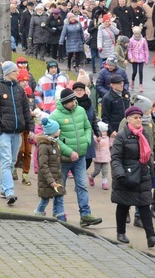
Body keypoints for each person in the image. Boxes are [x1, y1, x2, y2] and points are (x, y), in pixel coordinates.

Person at [111, 106, 155, 249]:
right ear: (128, 120)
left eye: (140, 117)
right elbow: (115, 158)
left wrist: (152, 170)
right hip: (126, 176)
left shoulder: (143, 134)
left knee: (145, 205)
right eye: (135, 117)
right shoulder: (122, 136)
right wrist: (119, 174)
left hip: (143, 176)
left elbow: (148, 154)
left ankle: (151, 237)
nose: (139, 120)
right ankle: (120, 233)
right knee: (123, 205)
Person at [50, 88, 103, 228]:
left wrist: (86, 141)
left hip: (80, 157)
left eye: (74, 100)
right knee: (60, 186)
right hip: (64, 159)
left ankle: (85, 214)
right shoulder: (54, 116)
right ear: (64, 103)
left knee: (82, 185)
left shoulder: (80, 111)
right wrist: (68, 151)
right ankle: (59, 214)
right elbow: (53, 138)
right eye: (71, 101)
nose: (74, 103)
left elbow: (87, 127)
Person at [0, 61, 35, 205]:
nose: (17, 74)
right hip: (4, 133)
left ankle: (3, 188)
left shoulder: (19, 89)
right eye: (15, 71)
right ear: (7, 73)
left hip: (17, 132)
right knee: (6, 161)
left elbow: (26, 111)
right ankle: (9, 191)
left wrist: (31, 128)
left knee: (12, 162)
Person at [34, 117, 67, 221]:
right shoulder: (44, 146)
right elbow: (43, 165)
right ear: (53, 132)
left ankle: (60, 217)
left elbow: (57, 157)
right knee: (45, 199)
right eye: (58, 129)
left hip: (56, 177)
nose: (59, 131)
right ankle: (38, 214)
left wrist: (69, 158)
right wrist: (51, 181)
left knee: (59, 196)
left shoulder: (55, 144)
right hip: (48, 180)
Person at [88, 121, 111, 190]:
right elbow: (95, 146)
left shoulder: (107, 138)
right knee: (97, 171)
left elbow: (110, 144)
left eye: (105, 131)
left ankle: (104, 183)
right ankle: (91, 176)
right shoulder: (96, 138)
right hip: (98, 158)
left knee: (105, 171)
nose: (105, 133)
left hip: (106, 158)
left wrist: (113, 138)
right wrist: (97, 141)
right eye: (103, 131)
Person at [128, 26, 149, 93]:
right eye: (135, 33)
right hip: (134, 58)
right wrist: (130, 58)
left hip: (141, 58)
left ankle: (140, 85)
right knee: (134, 72)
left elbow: (146, 49)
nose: (137, 34)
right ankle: (132, 81)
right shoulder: (131, 40)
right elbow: (129, 49)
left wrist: (146, 59)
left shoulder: (143, 40)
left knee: (140, 71)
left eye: (138, 33)